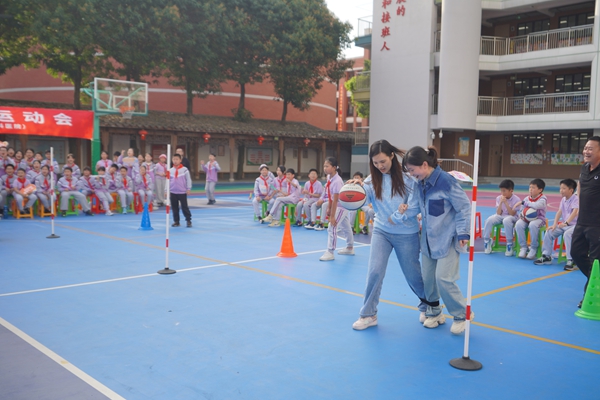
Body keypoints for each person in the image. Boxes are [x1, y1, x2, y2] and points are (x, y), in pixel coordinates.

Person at [351, 140, 430, 330]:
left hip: (406, 233)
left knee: (413, 275)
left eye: (382, 161)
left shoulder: (408, 178)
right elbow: (362, 200)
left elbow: (414, 206)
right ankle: (368, 314)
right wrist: (355, 189)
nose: (380, 166)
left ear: (392, 156)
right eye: (375, 163)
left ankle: (429, 307)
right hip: (381, 231)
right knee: (374, 271)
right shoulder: (371, 180)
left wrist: (398, 217)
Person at [400, 146, 472, 335]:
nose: (411, 174)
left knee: (443, 278)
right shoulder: (419, 183)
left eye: (412, 170)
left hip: (447, 238)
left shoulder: (446, 181)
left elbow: (464, 207)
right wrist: (401, 213)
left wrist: (464, 232)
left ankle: (461, 315)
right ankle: (434, 312)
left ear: (424, 165)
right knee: (428, 279)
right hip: (428, 241)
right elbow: (414, 206)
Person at [571, 136, 600, 308]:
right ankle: (594, 279)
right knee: (576, 253)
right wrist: (580, 205)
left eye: (590, 148)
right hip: (582, 222)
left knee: (597, 260)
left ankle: (588, 295)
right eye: (585, 148)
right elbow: (580, 185)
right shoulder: (584, 168)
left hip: (597, 225)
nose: (586, 151)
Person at [534, 178, 578, 268]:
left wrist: (566, 223)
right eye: (560, 188)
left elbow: (575, 212)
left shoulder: (576, 199)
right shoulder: (563, 200)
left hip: (575, 225)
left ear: (571, 190)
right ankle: (547, 256)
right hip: (564, 225)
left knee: (567, 234)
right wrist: (554, 225)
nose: (561, 190)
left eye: (563, 188)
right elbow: (559, 212)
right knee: (549, 232)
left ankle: (570, 260)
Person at [318, 157, 354, 261]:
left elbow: (336, 200)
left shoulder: (337, 181)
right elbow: (329, 195)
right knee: (345, 226)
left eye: (327, 166)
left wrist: (332, 216)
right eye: (324, 166)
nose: (325, 168)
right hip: (337, 205)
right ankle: (350, 247)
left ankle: (330, 251)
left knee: (332, 226)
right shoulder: (329, 177)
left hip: (341, 207)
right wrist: (329, 208)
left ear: (334, 168)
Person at [483, 179, 521, 255]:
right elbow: (498, 213)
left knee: (506, 220)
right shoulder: (498, 198)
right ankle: (487, 241)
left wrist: (506, 203)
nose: (502, 193)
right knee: (489, 220)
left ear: (511, 190)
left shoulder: (517, 199)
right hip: (501, 216)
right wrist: (500, 202)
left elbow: (512, 213)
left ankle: (509, 243)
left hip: (512, 217)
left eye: (504, 191)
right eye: (501, 191)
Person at [513, 178, 547, 259]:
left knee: (532, 225)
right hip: (526, 219)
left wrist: (524, 202)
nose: (531, 189)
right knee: (518, 224)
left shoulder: (543, 199)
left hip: (539, 219)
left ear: (540, 190)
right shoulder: (527, 198)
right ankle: (524, 247)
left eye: (533, 187)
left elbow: (536, 206)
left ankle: (534, 247)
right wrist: (521, 214)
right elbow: (522, 209)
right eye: (530, 187)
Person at [169, 153, 192, 227]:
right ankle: (176, 221)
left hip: (182, 192)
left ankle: (188, 220)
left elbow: (188, 179)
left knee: (184, 207)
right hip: (173, 192)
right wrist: (166, 190)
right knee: (174, 207)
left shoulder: (184, 170)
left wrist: (188, 188)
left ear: (180, 160)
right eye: (174, 159)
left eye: (177, 159)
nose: (175, 161)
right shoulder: (170, 170)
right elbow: (168, 181)